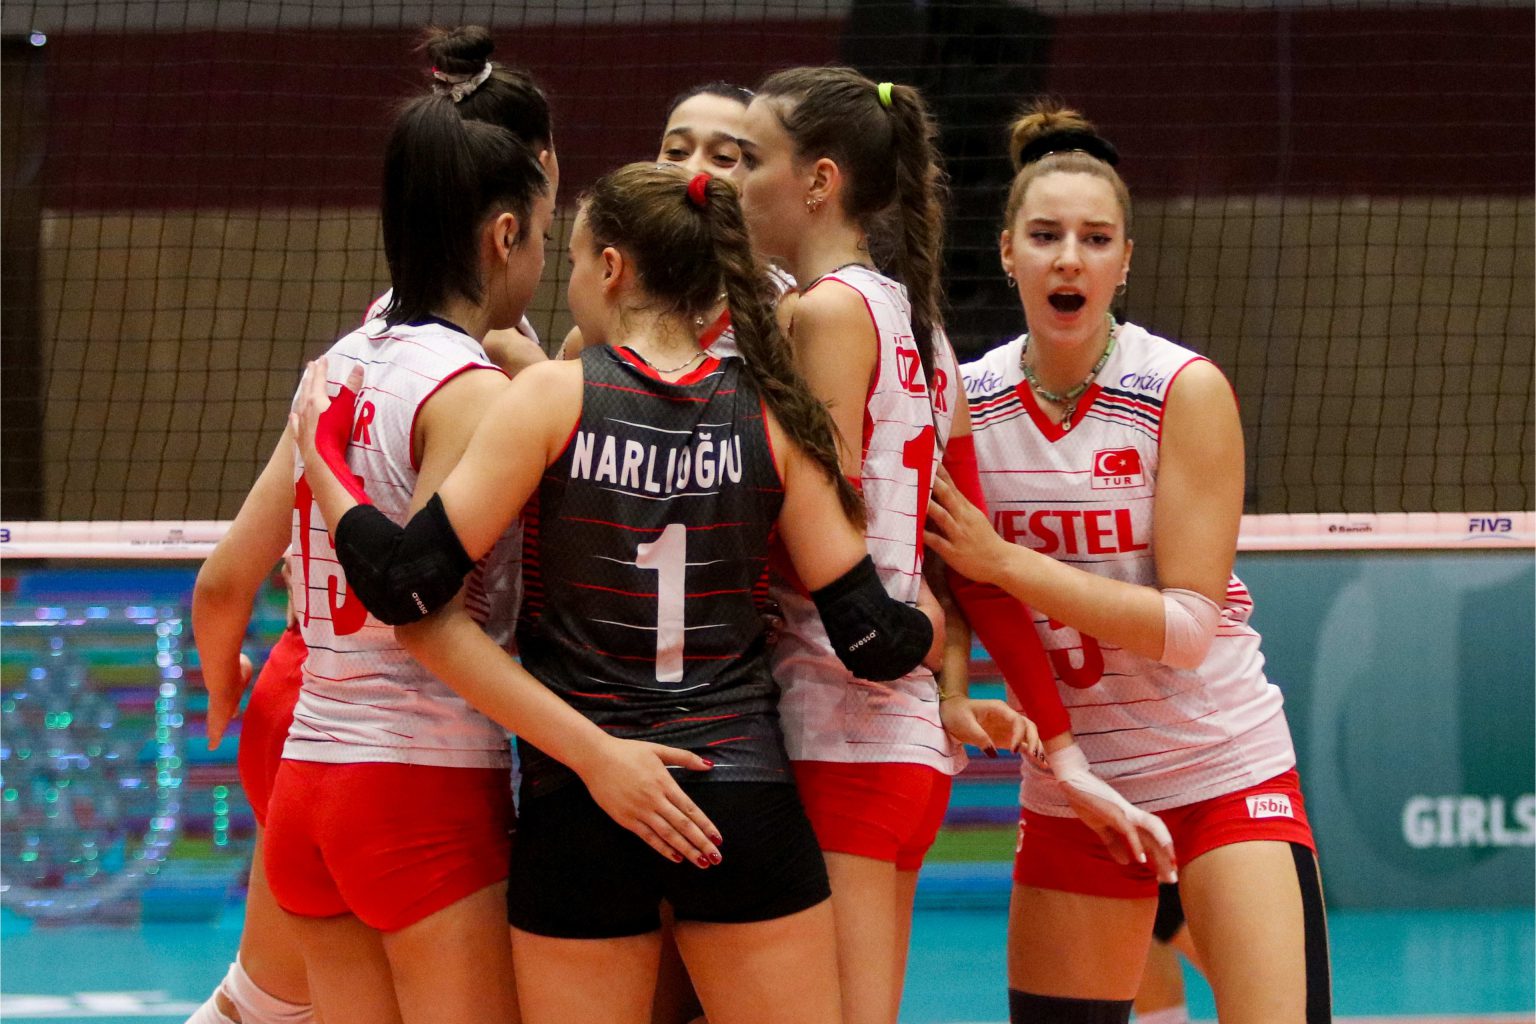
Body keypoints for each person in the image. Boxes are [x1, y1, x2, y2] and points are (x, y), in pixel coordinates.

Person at [292, 161, 942, 1023]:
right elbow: (874, 640)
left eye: (572, 260)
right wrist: (938, 613)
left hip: (579, 807)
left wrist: (324, 458)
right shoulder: (773, 413)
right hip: (736, 796)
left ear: (611, 268)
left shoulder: (551, 397)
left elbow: (407, 587)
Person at [924, 100, 1331, 1024]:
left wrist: (1010, 563)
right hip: (1076, 792)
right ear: (1007, 253)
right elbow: (953, 583)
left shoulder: (1181, 390)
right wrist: (951, 688)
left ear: (1125, 261)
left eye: (1095, 238)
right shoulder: (967, 403)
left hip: (1221, 773)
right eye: (1046, 236)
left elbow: (1186, 630)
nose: (1069, 258)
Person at [185, 29, 559, 1024]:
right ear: (505, 236)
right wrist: (597, 755)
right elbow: (421, 611)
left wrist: (221, 695)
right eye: (544, 234)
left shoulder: (336, 363)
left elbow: (223, 581)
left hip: (309, 775)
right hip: (417, 785)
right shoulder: (475, 391)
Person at [734, 67, 1046, 1024]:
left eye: (751, 159)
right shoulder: (918, 325)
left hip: (843, 722)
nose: (734, 181)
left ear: (819, 181)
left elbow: (815, 512)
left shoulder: (829, 312)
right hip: (895, 731)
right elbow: (931, 540)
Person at [557, 80, 760, 364]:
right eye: (676, 151)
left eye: (723, 157)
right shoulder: (611, 301)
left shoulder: (783, 312)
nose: (692, 168)